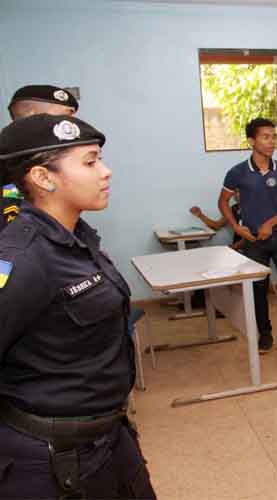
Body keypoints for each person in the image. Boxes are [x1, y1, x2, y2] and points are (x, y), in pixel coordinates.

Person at [0, 114, 155, 498]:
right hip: (52, 459)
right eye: (90, 162)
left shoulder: (80, 237)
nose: (106, 171)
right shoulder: (19, 258)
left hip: (109, 437)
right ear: (42, 177)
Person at [218, 118, 277, 356]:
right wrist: (237, 229)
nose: (271, 142)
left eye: (273, 137)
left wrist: (270, 223)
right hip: (253, 241)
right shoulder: (237, 173)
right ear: (252, 141)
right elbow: (223, 202)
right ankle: (265, 335)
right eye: (265, 137)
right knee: (259, 288)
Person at [2, 85, 79, 235]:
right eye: (61, 118)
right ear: (32, 115)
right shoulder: (9, 161)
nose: (70, 126)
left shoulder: (46, 157)